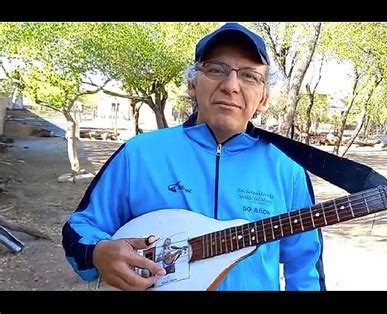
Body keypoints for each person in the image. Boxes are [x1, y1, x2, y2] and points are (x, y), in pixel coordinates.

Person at [61, 22, 326, 291]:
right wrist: (97, 252)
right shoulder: (140, 154)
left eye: (249, 76)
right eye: (216, 70)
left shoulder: (288, 168)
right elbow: (80, 227)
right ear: (192, 83)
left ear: (264, 98)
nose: (231, 85)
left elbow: (305, 268)